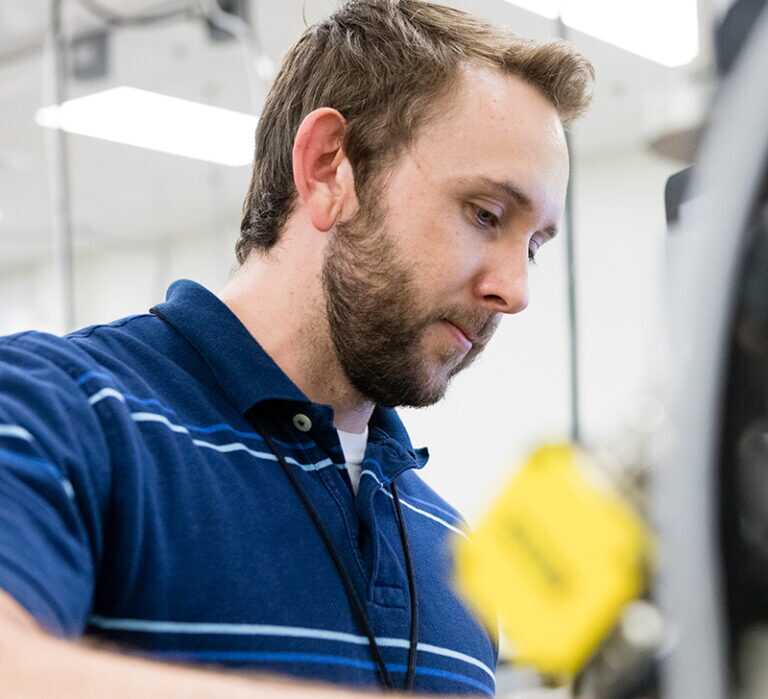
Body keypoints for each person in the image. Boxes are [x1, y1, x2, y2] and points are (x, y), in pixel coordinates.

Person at [0, 1, 593, 696]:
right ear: (329, 168)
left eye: (533, 246)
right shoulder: (54, 410)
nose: (515, 291)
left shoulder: (453, 553)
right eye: (485, 215)